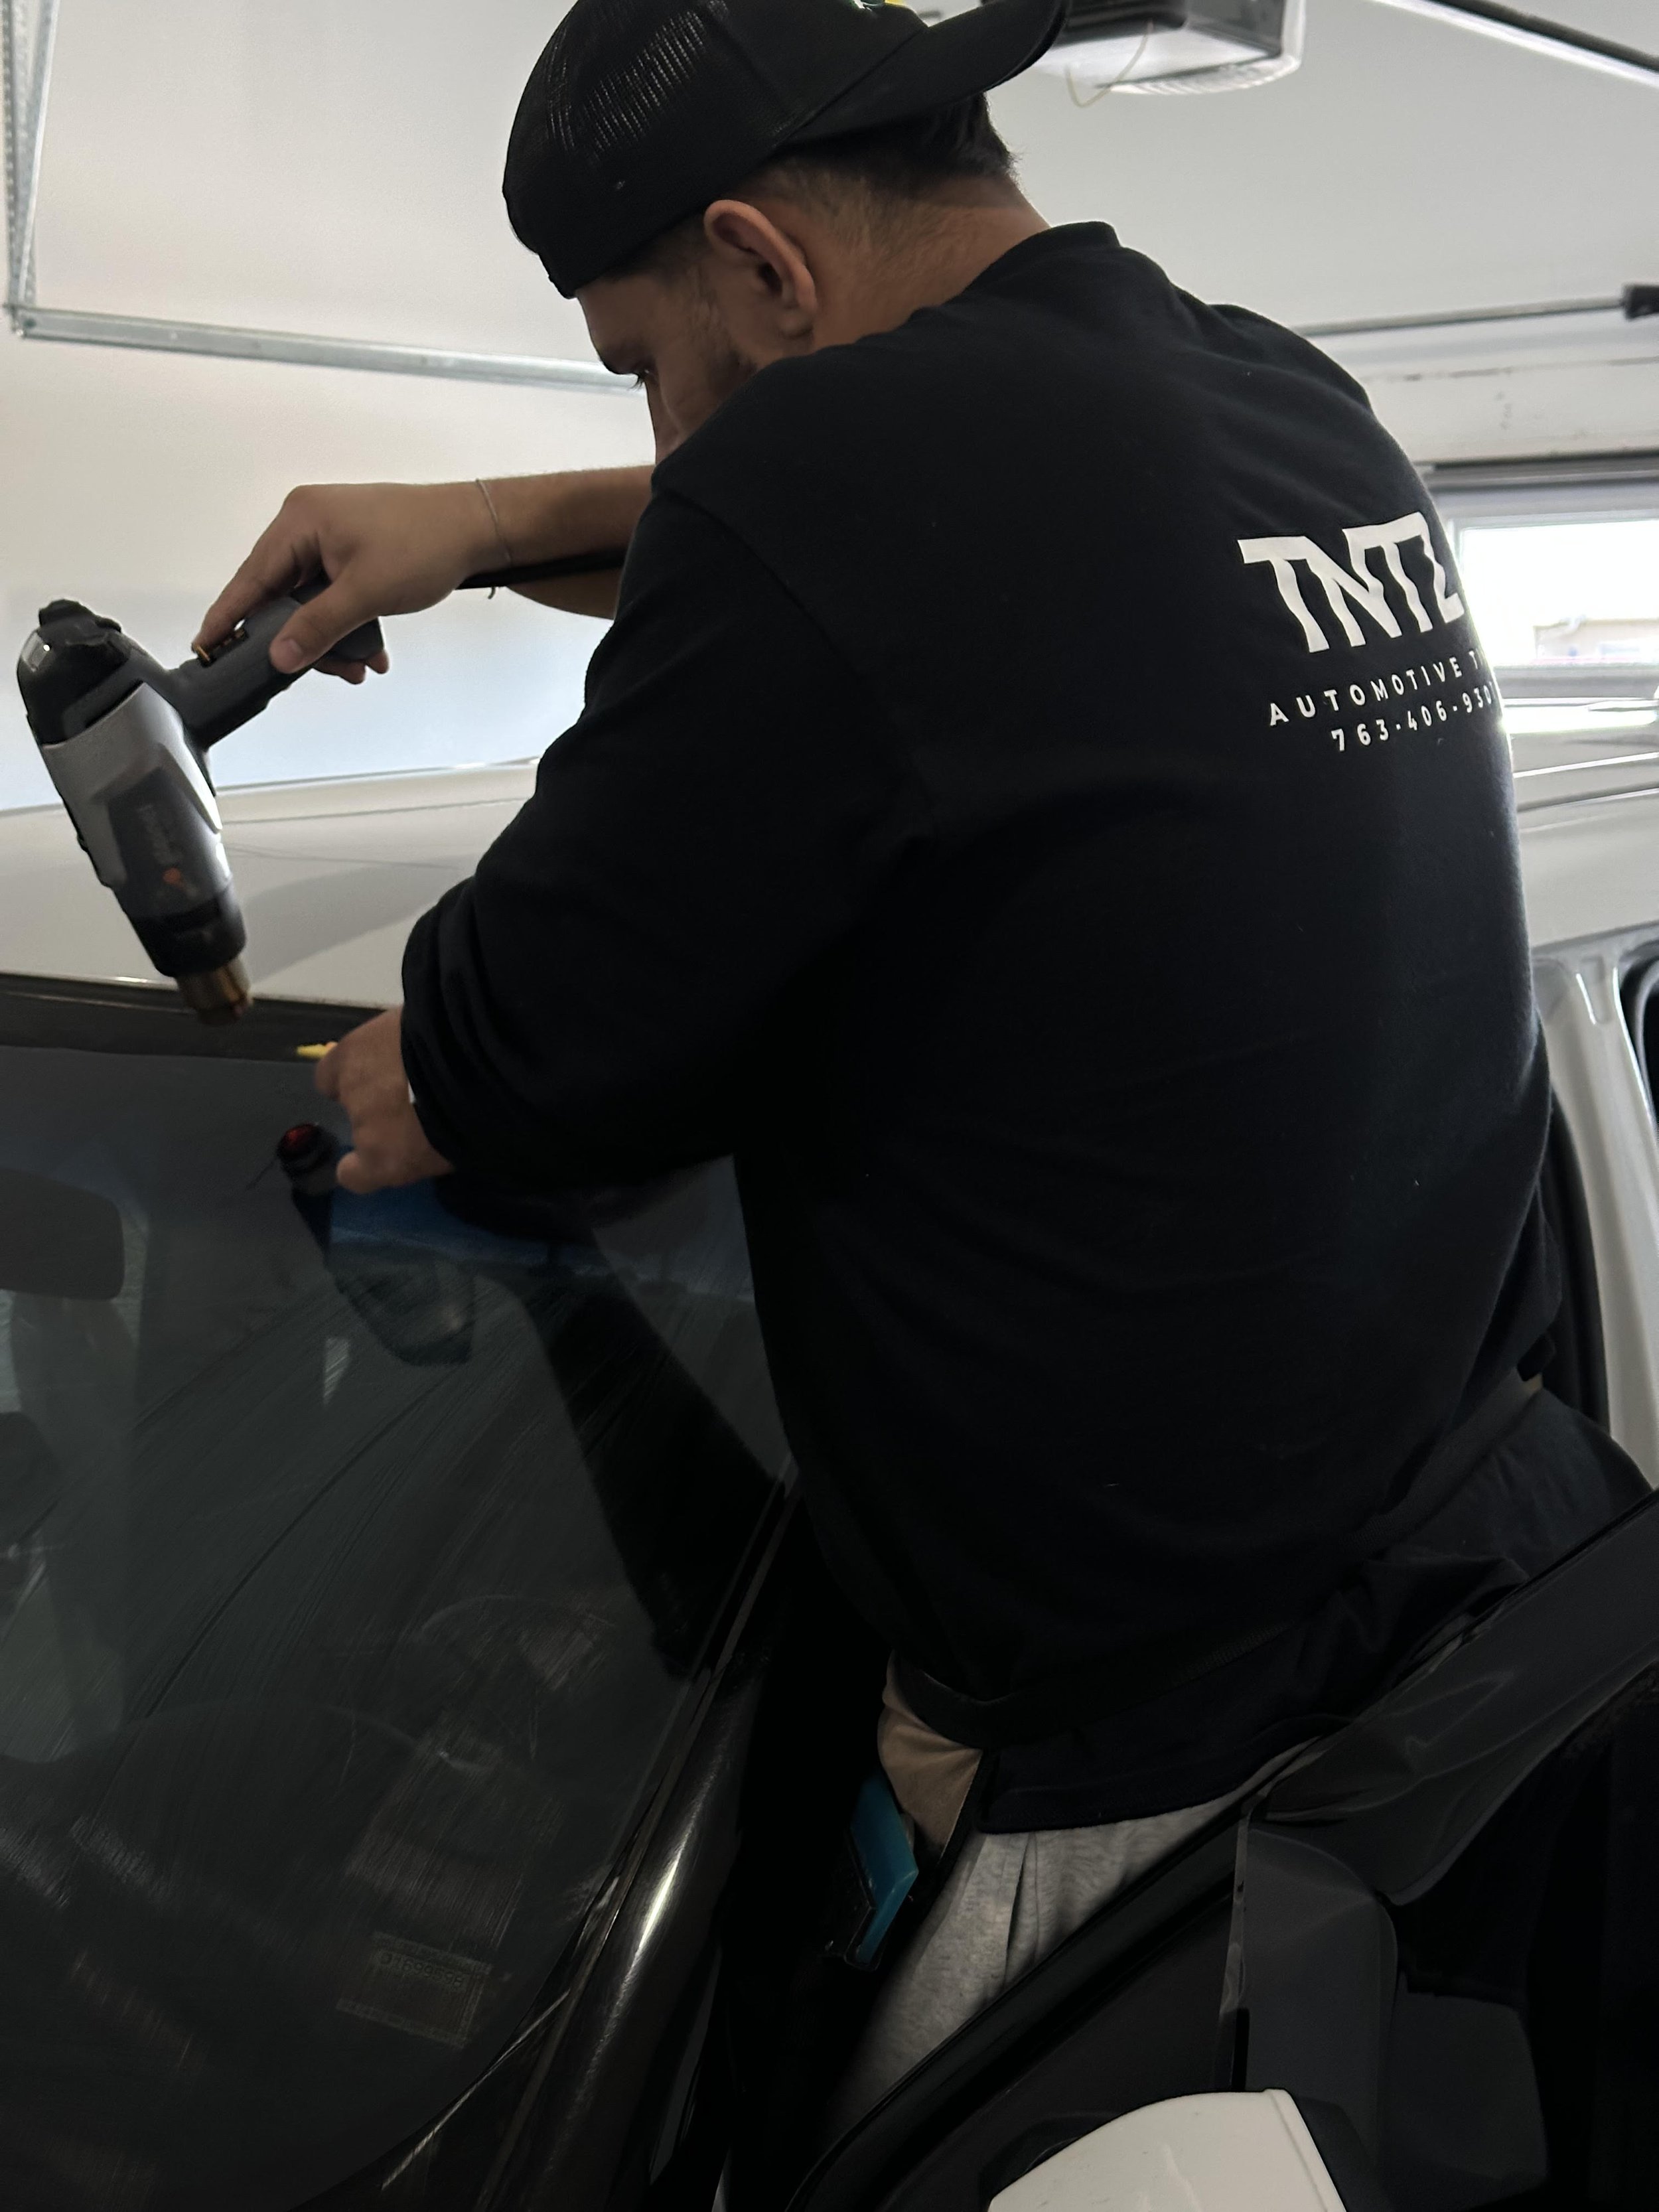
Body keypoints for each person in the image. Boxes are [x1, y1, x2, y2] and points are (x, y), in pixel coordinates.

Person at [196, 0, 1645, 2146]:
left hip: (1175, 1755)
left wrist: (418, 1054)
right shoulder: (1281, 398)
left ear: (762, 264)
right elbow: (897, 564)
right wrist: (496, 520)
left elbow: (470, 1068)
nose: (671, 440)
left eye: (645, 364)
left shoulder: (851, 486)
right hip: (1506, 1605)